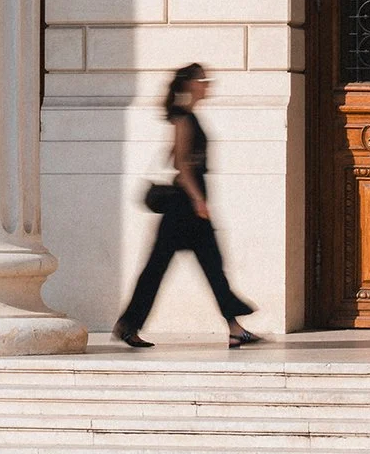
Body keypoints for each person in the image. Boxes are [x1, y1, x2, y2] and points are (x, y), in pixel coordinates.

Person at [112, 62, 263, 350]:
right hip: (185, 208)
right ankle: (129, 325)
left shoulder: (188, 117)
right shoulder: (183, 118)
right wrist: (198, 201)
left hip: (188, 204)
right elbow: (181, 164)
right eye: (203, 80)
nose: (207, 85)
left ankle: (234, 329)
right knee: (161, 268)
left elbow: (176, 156)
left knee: (211, 266)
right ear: (191, 84)